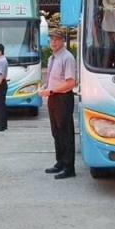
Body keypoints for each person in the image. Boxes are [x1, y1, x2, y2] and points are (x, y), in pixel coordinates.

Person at [39, 29, 77, 179]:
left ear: (63, 41)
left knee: (65, 132)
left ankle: (69, 167)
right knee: (56, 132)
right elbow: (51, 80)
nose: (53, 42)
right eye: (51, 39)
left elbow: (71, 83)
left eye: (56, 39)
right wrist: (45, 87)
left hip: (63, 98)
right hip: (53, 98)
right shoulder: (51, 58)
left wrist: (52, 91)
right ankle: (60, 162)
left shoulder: (67, 58)